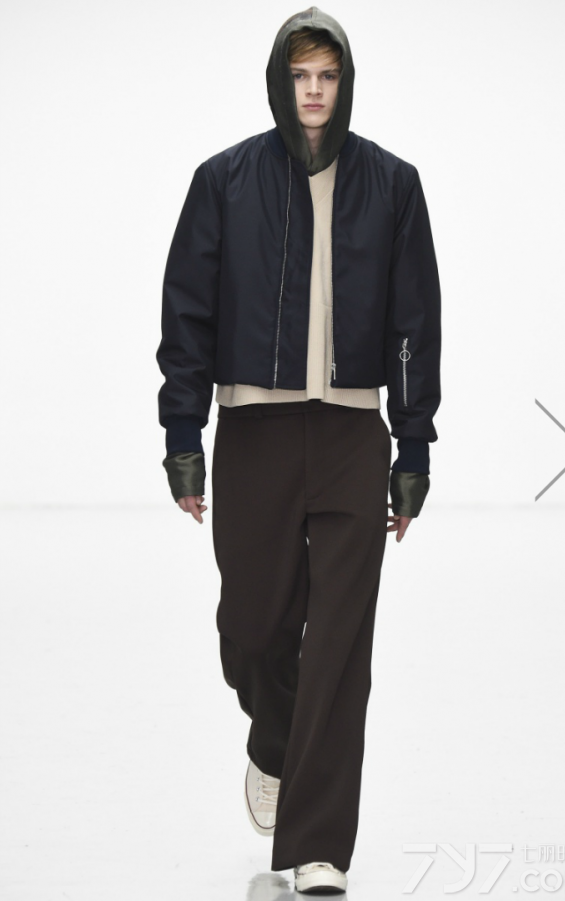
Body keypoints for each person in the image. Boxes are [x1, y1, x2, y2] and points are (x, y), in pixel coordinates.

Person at [155, 6, 441, 894]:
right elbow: (187, 314)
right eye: (300, 75)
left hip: (354, 433)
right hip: (255, 429)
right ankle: (276, 743)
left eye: (327, 75)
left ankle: (318, 847)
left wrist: (412, 444)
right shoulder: (224, 180)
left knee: (340, 647)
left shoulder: (392, 185)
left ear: (344, 84)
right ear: (280, 82)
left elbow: (414, 321)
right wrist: (182, 433)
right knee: (252, 628)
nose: (314, 91)